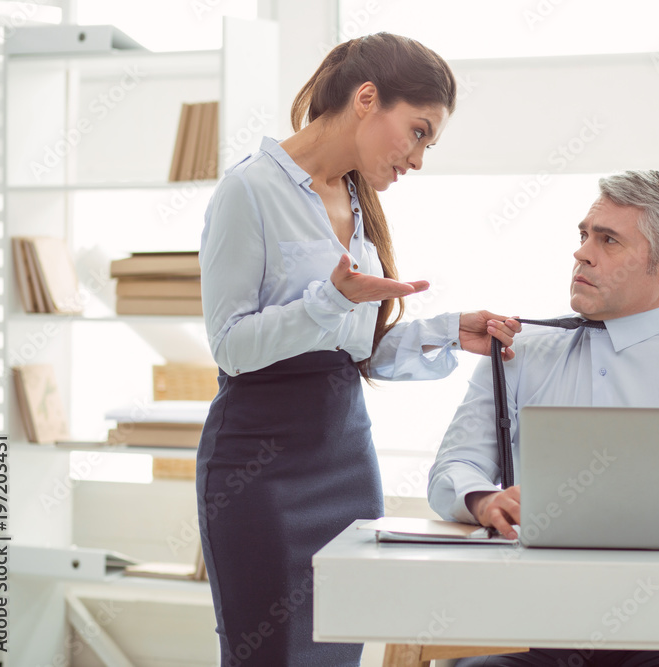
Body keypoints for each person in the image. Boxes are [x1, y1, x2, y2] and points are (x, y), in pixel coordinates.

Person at [196, 33, 520, 666]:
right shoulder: (249, 192)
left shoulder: (357, 202)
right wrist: (332, 301)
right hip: (259, 470)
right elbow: (231, 346)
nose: (419, 158)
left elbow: (351, 353)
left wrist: (446, 330)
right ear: (367, 99)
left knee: (339, 656)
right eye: (419, 132)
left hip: (345, 458)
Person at [428, 170, 659, 667]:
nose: (582, 252)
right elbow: (452, 471)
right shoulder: (519, 353)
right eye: (584, 235)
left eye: (608, 240)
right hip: (535, 626)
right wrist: (482, 499)